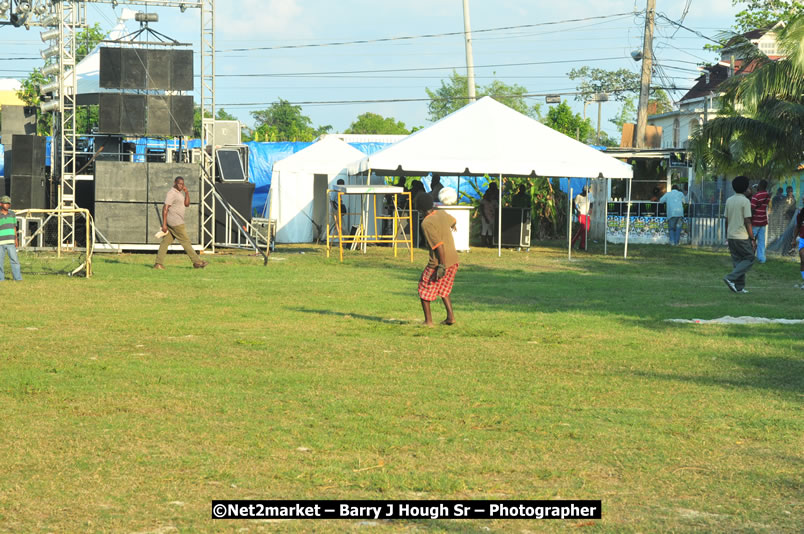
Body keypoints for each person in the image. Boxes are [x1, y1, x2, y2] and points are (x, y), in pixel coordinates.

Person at [416, 193, 458, 327]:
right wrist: (452, 226)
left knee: (424, 287)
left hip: (439, 262)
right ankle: (450, 317)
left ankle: (428, 321)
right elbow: (454, 221)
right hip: (454, 260)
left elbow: (439, 246)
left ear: (420, 209)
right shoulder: (441, 213)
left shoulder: (426, 223)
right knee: (444, 289)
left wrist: (441, 266)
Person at [154, 176, 208, 270]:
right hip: (176, 222)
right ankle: (197, 262)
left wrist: (186, 192)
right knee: (186, 241)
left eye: (182, 184)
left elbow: (187, 204)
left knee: (165, 242)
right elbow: (165, 208)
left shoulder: (179, 193)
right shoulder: (171, 193)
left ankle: (158, 264)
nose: (181, 185)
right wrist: (164, 224)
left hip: (175, 222)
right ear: (174, 183)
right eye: (179, 183)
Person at [723, 176, 756, 293]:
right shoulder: (745, 201)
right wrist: (752, 238)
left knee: (738, 261)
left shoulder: (729, 200)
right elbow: (747, 221)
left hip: (731, 235)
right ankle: (730, 278)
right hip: (742, 236)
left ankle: (739, 287)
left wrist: (727, 234)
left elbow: (726, 220)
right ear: (745, 188)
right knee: (750, 258)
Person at [0, 195, 22, 281]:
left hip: (11, 242)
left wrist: (16, 239)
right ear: (1, 204)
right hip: (0, 242)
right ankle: (1, 279)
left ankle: (18, 278)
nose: (7, 205)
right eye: (5, 203)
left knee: (15, 261)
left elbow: (14, 228)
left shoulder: (12, 214)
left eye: (8, 203)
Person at [750, 179, 770, 263]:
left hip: (755, 221)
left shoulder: (756, 196)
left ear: (760, 186)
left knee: (750, 239)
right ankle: (762, 258)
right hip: (763, 220)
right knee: (762, 241)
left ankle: (749, 257)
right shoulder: (768, 195)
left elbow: (752, 208)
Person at [793, 198, 804, 288]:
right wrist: (794, 239)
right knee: (802, 260)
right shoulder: (801, 213)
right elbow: (798, 226)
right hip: (803, 239)